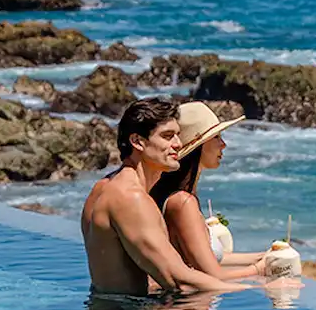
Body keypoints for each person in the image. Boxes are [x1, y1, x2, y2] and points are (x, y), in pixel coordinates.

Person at [81, 98, 250, 296]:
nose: (178, 144)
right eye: (167, 136)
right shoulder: (131, 198)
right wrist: (257, 289)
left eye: (178, 135)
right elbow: (179, 280)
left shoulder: (103, 187)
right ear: (138, 142)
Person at [151, 102, 286, 283]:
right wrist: (260, 269)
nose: (223, 144)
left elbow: (206, 258)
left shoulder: (180, 196)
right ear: (197, 146)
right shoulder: (183, 202)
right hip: (188, 309)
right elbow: (212, 276)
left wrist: (263, 256)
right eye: (216, 137)